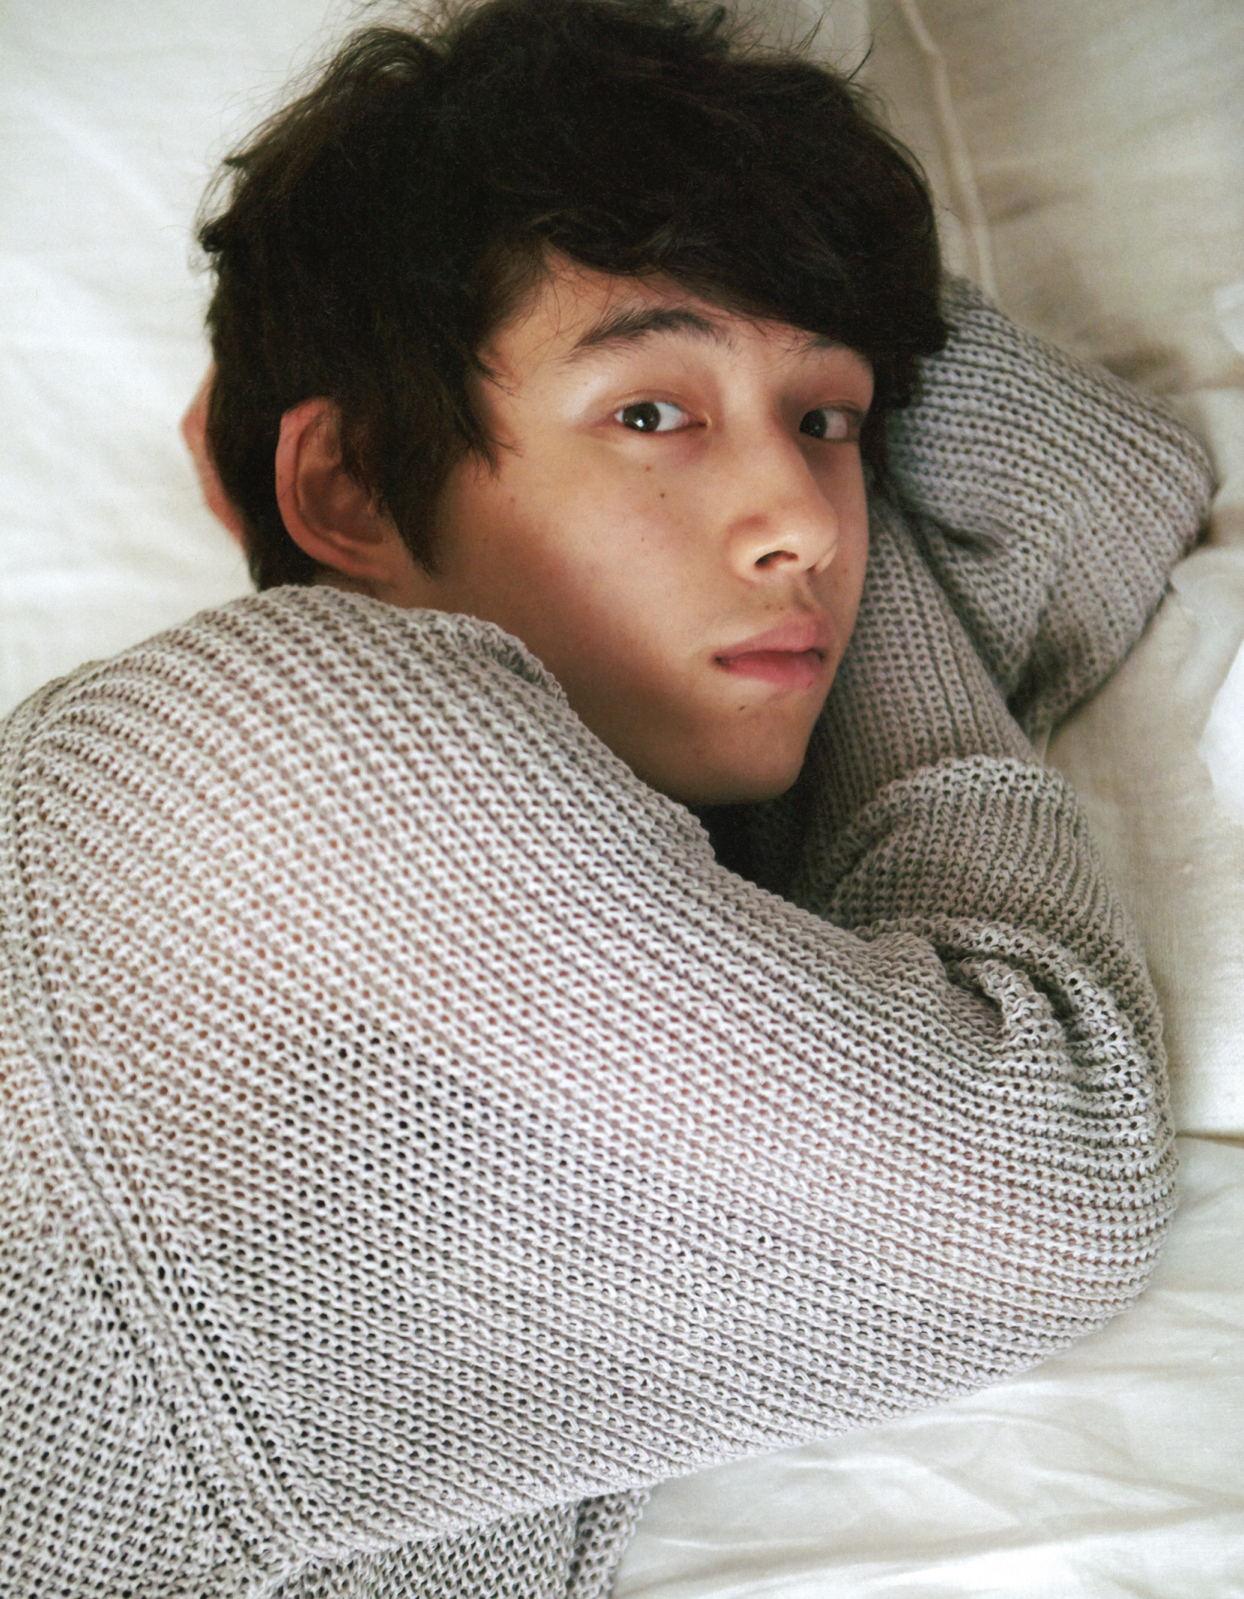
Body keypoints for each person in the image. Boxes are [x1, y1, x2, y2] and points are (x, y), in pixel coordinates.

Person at [0, 1, 1213, 1595]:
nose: (808, 520)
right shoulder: (267, 752)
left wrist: (779, 558)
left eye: (833, 424)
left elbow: (1104, 491)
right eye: (650, 413)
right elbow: (1039, 1192)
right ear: (345, 486)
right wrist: (815, 577)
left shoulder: (580, 854)